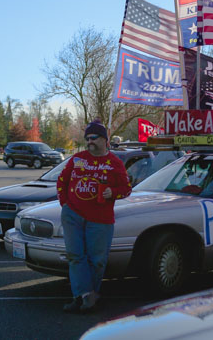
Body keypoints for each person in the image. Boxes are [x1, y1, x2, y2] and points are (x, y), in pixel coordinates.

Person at [56, 120, 132, 313]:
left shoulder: (115, 163)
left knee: (96, 259)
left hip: (100, 218)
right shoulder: (78, 159)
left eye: (94, 138)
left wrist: (112, 193)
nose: (89, 141)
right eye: (87, 138)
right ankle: (81, 296)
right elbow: (62, 181)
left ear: (105, 140)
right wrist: (65, 204)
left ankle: (89, 297)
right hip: (73, 215)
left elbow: (126, 189)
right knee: (75, 256)